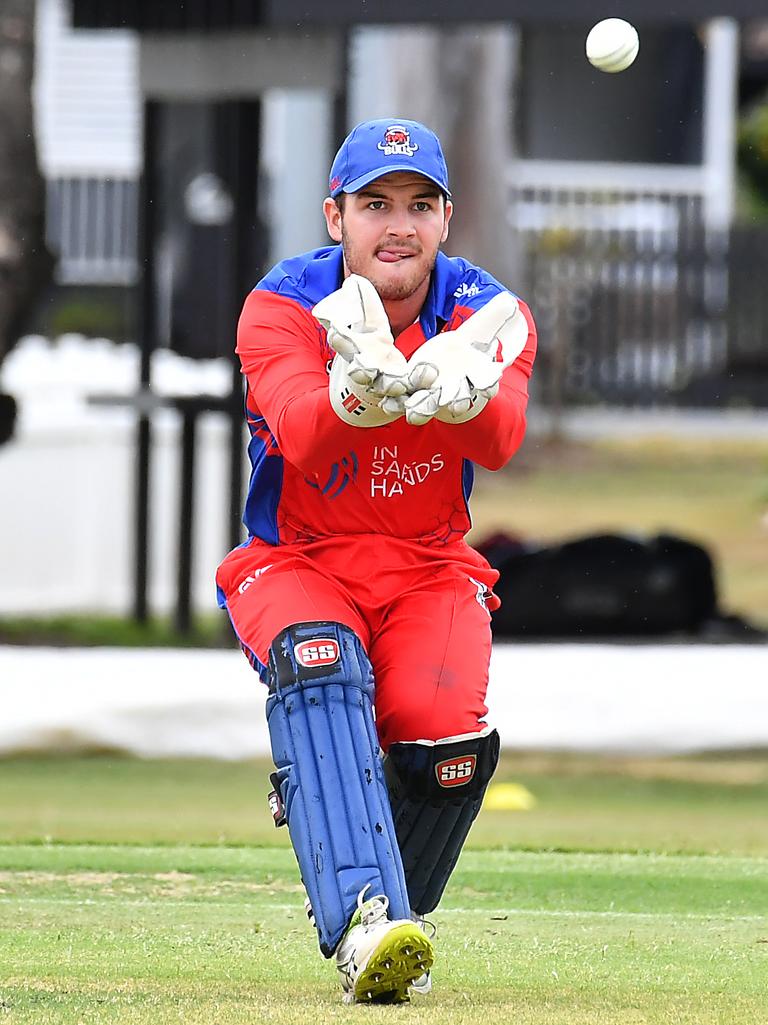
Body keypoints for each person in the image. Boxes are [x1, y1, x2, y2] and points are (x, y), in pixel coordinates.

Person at [216, 117, 537, 1004]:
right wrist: (357, 386)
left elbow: (502, 436)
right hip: (298, 560)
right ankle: (365, 918)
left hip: (429, 567)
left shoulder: (488, 311)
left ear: (445, 219)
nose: (398, 224)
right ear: (335, 217)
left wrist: (455, 394)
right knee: (322, 673)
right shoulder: (279, 304)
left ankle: (385, 912)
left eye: (419, 205)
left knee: (444, 752)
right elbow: (305, 432)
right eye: (375, 204)